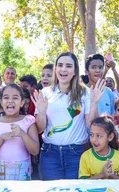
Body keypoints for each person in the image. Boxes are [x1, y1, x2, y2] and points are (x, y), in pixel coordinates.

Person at [31, 52, 105, 180]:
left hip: (76, 153)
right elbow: (39, 128)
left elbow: (90, 125)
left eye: (68, 66)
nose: (63, 69)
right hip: (50, 153)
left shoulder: (85, 92)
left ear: (75, 70)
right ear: (55, 69)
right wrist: (42, 112)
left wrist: (94, 103)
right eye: (60, 65)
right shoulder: (45, 92)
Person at [0, 84, 39, 180]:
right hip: (0, 170)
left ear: (22, 102)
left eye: (15, 98)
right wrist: (1, 138)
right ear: (1, 102)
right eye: (6, 97)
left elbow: (35, 150)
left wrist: (23, 134)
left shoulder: (28, 121)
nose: (10, 101)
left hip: (22, 170)